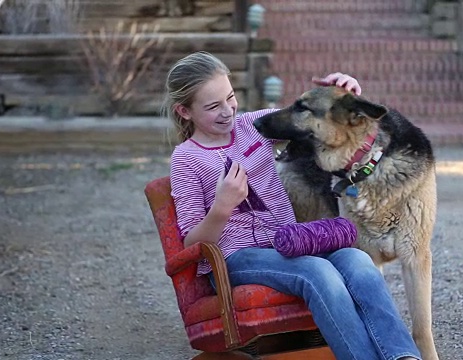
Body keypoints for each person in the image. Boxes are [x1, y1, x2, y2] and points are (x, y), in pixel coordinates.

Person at [164, 51, 422, 360]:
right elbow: (191, 243)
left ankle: (402, 356)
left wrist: (346, 97)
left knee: (357, 260)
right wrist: (222, 207)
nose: (227, 111)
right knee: (317, 271)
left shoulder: (251, 126)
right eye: (212, 106)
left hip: (288, 243)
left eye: (230, 98)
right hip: (236, 257)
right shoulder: (186, 159)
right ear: (184, 111)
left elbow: (312, 117)